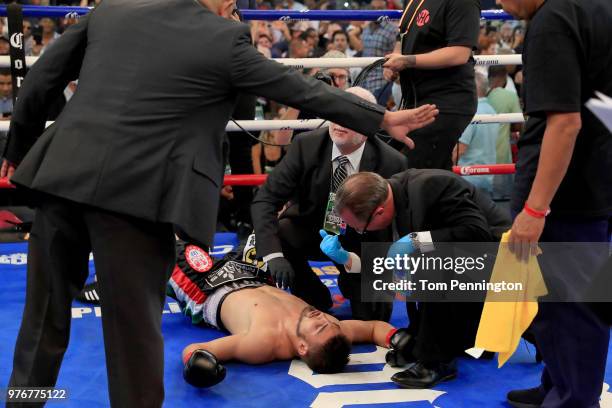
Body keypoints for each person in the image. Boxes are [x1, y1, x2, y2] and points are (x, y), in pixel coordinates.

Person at [0, 0, 438, 406]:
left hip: (63, 176)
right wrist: (379, 117)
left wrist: (17, 149)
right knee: (131, 335)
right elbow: (300, 90)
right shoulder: (221, 38)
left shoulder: (116, 7)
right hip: (135, 195)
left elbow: (41, 79)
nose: (234, 6)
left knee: (42, 321)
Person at [498, 0, 612, 407]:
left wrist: (535, 209)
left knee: (572, 308)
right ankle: (559, 384)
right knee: (557, 303)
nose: (498, 3)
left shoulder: (552, 20)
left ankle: (573, 398)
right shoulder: (597, 9)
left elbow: (565, 123)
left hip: (566, 192)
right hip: (594, 175)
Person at [334, 171, 511, 388]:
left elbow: (477, 234)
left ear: (379, 212)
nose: (358, 231)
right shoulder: (392, 193)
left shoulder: (430, 187)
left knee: (431, 259)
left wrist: (419, 241)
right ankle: (441, 341)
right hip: (470, 262)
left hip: (504, 258)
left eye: (359, 227)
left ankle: (437, 361)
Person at [251, 87, 408, 319]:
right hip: (311, 229)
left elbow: (401, 223)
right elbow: (266, 199)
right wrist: (273, 255)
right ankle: (312, 293)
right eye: (335, 112)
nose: (339, 122)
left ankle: (354, 285)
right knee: (282, 233)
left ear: (368, 126)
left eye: (349, 116)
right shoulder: (306, 145)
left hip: (363, 243)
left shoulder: (392, 161)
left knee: (373, 317)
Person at [167, 247, 413, 387]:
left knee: (169, 243)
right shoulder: (333, 330)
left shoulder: (263, 343)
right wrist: (398, 339)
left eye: (319, 327)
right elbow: (372, 329)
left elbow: (198, 350)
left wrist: (199, 366)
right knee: (268, 232)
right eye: (328, 322)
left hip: (208, 286)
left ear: (303, 347)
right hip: (256, 273)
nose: (322, 317)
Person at [383, 0, 481, 170]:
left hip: (445, 100)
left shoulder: (463, 2)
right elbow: (403, 36)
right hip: (416, 100)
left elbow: (459, 53)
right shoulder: (414, 1)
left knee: (419, 171)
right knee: (407, 167)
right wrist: (396, 58)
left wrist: (408, 61)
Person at [453, 72, 499, 197]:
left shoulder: (472, 112)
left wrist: (443, 170)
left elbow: (460, 149)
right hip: (487, 177)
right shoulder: (492, 110)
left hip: (468, 178)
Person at [487, 65, 522, 210]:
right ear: (504, 78)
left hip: (480, 160)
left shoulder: (482, 96)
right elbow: (519, 124)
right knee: (502, 206)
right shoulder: (510, 96)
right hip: (501, 159)